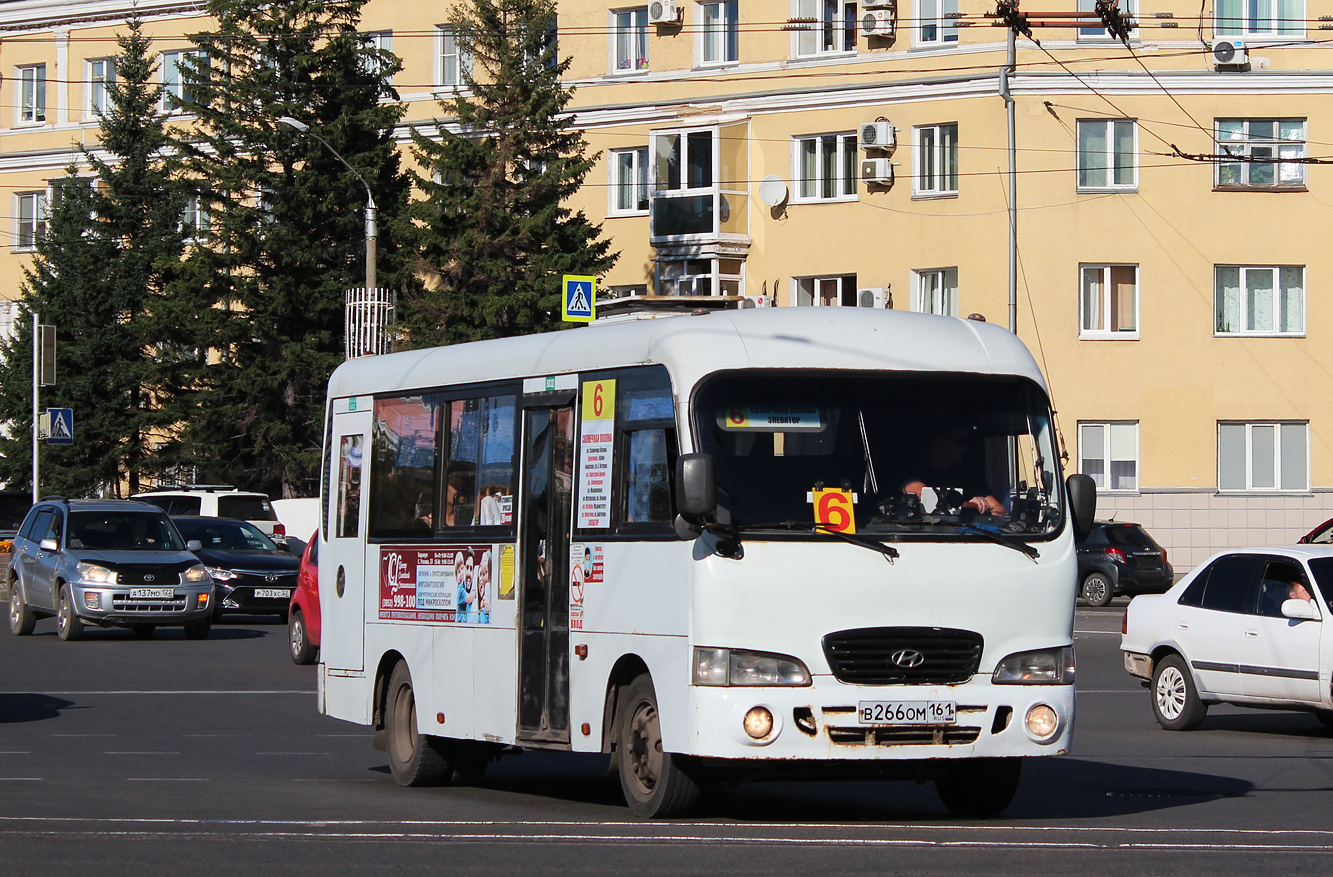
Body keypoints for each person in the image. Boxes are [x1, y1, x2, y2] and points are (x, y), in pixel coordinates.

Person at [901, 421, 1002, 514]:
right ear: (939, 441)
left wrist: (977, 506)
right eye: (960, 442)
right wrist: (974, 505)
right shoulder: (911, 472)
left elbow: (1000, 510)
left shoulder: (966, 476)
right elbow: (931, 501)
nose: (966, 448)